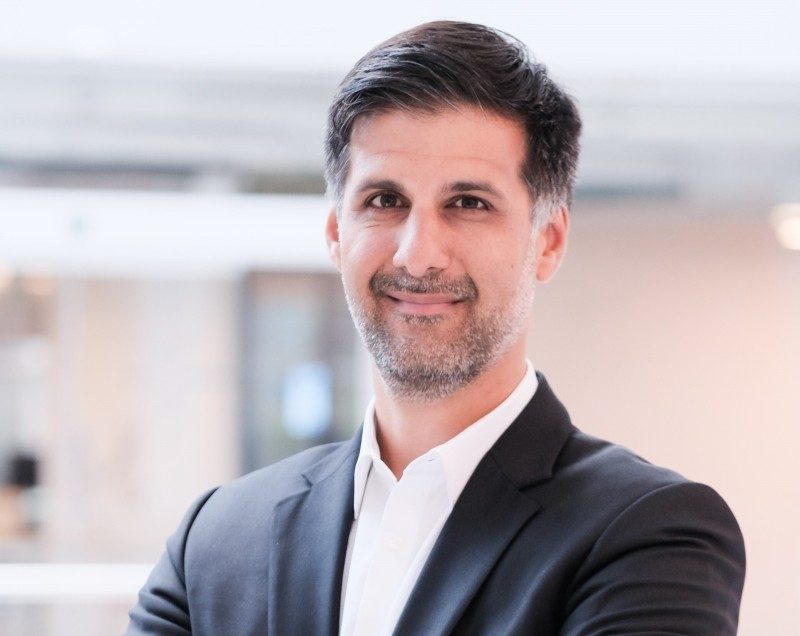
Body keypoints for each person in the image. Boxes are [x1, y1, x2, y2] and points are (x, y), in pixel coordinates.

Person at [127, 21, 745, 635]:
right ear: (337, 233)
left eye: (469, 203)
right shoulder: (217, 539)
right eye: (384, 200)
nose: (418, 255)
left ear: (548, 241)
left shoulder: (650, 535)